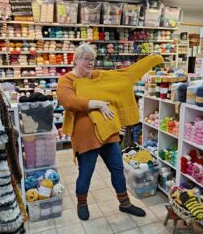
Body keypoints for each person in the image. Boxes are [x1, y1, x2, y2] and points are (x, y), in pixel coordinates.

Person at [57, 43, 163, 221]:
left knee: (117, 169)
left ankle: (125, 203)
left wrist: (151, 60)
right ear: (76, 60)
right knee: (86, 173)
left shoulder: (99, 76)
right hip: (86, 138)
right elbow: (68, 101)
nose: (90, 63)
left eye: (92, 59)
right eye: (86, 59)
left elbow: (124, 76)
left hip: (108, 132)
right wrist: (95, 103)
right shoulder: (67, 80)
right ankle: (82, 203)